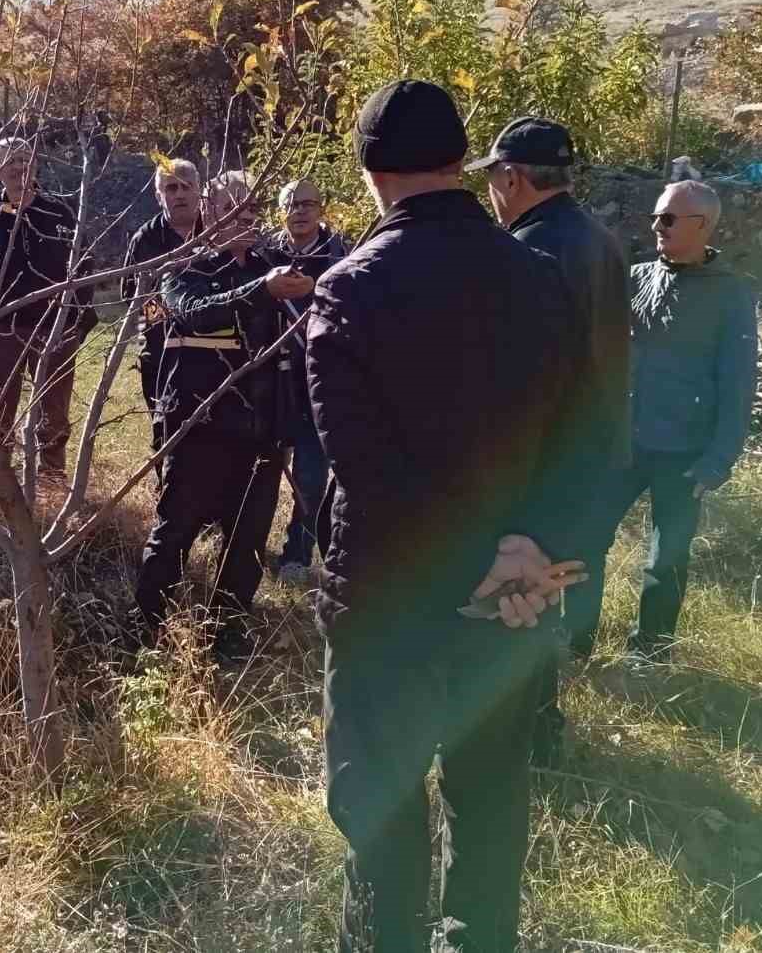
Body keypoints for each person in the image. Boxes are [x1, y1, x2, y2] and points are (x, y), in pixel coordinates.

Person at [307, 79, 585, 953]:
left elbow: (367, 470)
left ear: (368, 171)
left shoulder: (349, 290)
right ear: (464, 162)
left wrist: (485, 564)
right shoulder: (540, 276)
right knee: (492, 798)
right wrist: (538, 557)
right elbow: (582, 432)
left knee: (381, 804)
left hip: (392, 598)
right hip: (511, 603)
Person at [473, 116, 630, 765]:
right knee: (544, 605)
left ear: (512, 177)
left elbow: (516, 381)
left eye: (492, 178)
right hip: (595, 460)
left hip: (539, 467)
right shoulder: (603, 240)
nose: (490, 191)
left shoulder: (525, 252)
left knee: (514, 611)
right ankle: (539, 731)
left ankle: (524, 742)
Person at [134, 170, 313, 659]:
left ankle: (228, 636)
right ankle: (144, 633)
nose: (249, 219)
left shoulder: (276, 265)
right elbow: (194, 311)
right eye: (238, 210)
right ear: (211, 213)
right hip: (201, 428)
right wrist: (262, 290)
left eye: (255, 210)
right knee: (175, 533)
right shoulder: (183, 267)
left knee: (248, 542)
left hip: (263, 433)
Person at [614, 180, 757, 664]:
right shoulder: (634, 277)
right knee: (584, 536)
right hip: (622, 444)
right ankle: (574, 639)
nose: (658, 226)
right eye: (657, 216)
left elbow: (739, 382)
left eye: (670, 219)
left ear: (704, 226)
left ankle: (650, 653)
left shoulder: (731, 295)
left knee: (665, 558)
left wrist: (718, 461)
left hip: (684, 451)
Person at [0, 136, 95, 477]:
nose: (19, 167)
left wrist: (75, 323)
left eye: (25, 159)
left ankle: (50, 481)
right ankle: (1, 483)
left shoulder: (61, 212)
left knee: (54, 413)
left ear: (35, 164)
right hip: (1, 330)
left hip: (55, 329)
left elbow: (85, 267)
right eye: (10, 162)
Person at [270, 177, 349, 586]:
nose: (299, 210)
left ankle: (298, 553)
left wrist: (317, 288)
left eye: (307, 203)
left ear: (321, 208)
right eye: (290, 203)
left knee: (311, 476)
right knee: (262, 469)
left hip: (318, 380)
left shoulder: (343, 253)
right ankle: (243, 546)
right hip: (269, 383)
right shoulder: (265, 254)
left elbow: (357, 306)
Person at [120, 157, 201, 461]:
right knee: (164, 425)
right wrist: (167, 317)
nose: (179, 194)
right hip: (160, 347)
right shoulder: (145, 239)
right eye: (170, 188)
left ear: (198, 191)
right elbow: (131, 294)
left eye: (186, 186)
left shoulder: (216, 230)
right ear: (158, 196)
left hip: (211, 345)